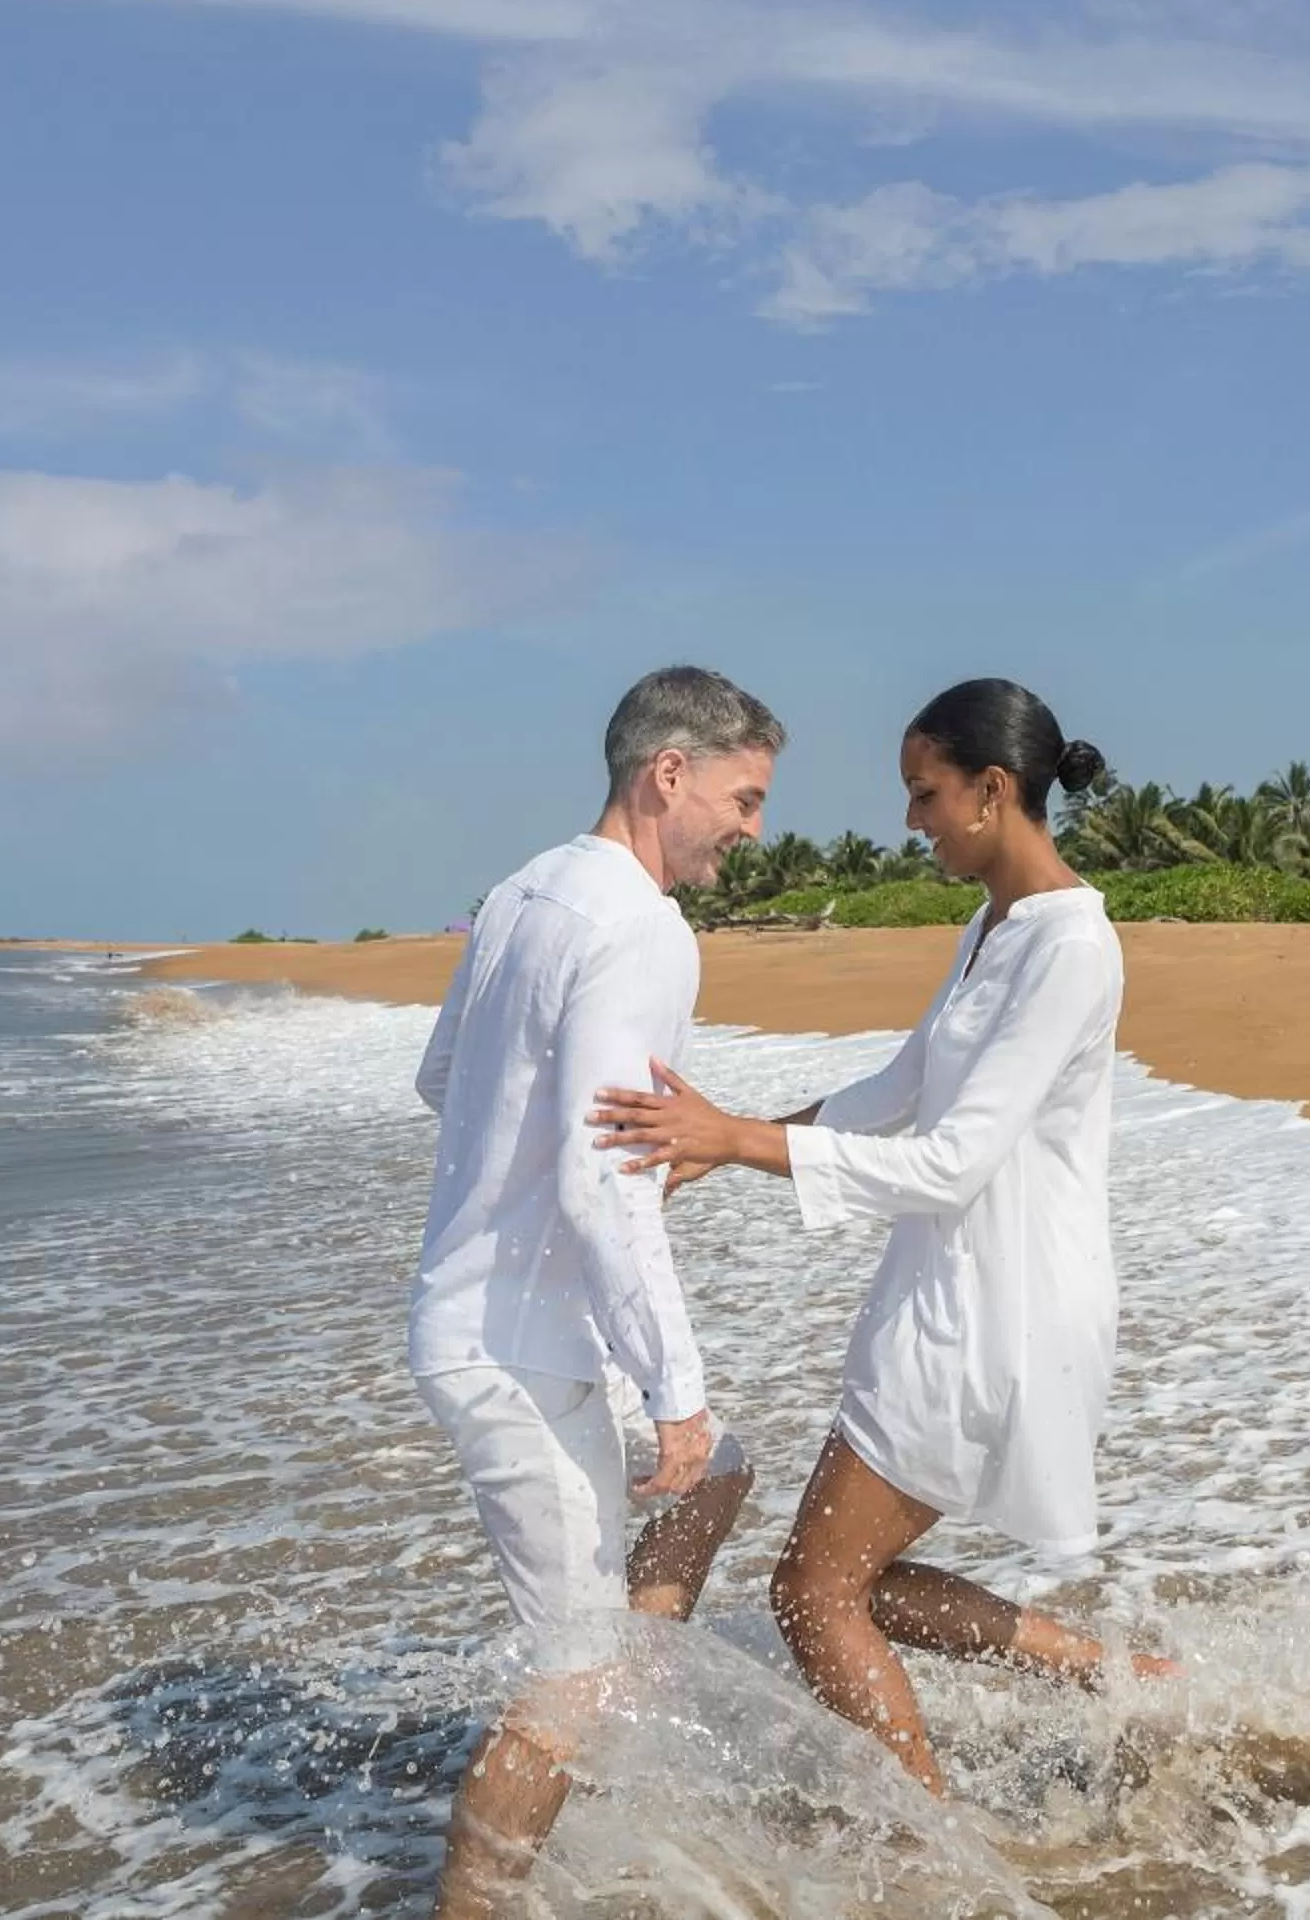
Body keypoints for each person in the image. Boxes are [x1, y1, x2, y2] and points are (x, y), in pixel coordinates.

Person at [592, 676, 1173, 1796]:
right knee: (861, 1581)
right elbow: (897, 1088)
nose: (913, 821)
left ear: (993, 790)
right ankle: (1116, 1674)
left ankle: (930, 1842)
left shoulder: (1071, 946)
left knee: (814, 1591)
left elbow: (954, 1157)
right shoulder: (993, 924)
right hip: (945, 1290)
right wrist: (733, 1137)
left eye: (926, 793)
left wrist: (744, 1142)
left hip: (1001, 1305)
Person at [408, 665, 783, 1916]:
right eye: (743, 796)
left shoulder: (521, 889)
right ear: (666, 774)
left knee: (718, 1474)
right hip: (518, 1344)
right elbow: (601, 1184)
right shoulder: (642, 927)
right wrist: (675, 1389)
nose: (752, 828)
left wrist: (538, 1142)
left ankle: (624, 1701)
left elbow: (443, 1075)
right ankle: (473, 1897)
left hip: (488, 1317)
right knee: (569, 1676)